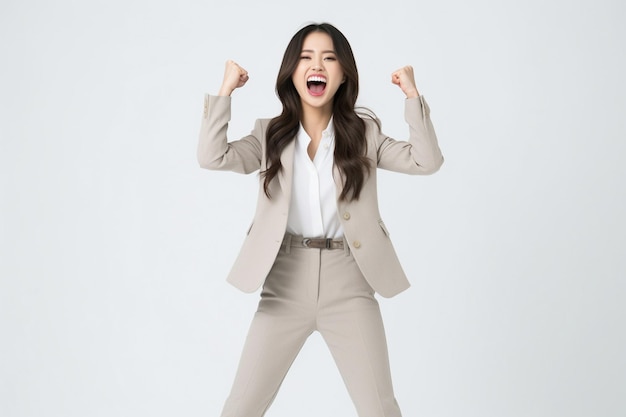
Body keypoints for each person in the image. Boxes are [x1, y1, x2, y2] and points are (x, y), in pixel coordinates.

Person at [198, 22, 443, 417]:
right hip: (284, 283)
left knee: (380, 408)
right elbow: (213, 156)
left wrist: (412, 97)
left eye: (330, 58)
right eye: (306, 58)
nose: (318, 65)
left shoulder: (364, 134)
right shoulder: (269, 135)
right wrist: (225, 91)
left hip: (350, 281)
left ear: (343, 73)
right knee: (240, 407)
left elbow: (426, 161)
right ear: (291, 72)